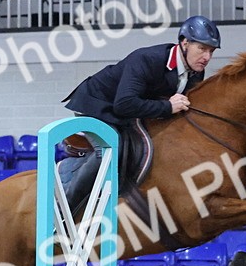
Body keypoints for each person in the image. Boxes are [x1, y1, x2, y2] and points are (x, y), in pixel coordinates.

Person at [57, 15, 221, 201]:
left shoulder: (195, 71)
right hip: (97, 105)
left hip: (129, 112)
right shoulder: (148, 59)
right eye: (202, 49)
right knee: (112, 148)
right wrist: (167, 107)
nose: (207, 57)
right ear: (184, 43)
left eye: (211, 51)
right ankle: (67, 204)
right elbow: (124, 104)